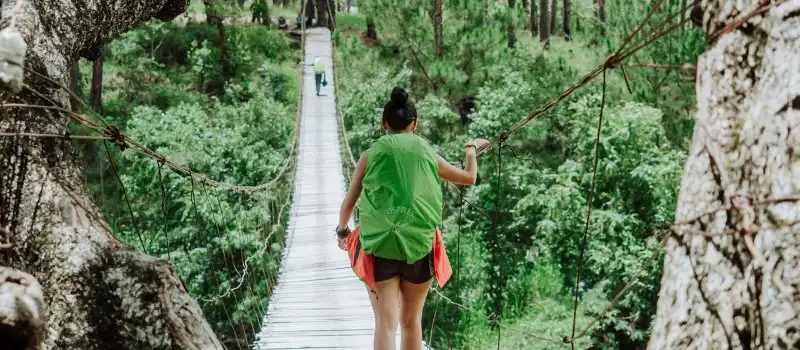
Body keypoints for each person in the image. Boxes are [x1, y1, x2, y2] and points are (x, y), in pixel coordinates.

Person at [336, 87, 490, 350]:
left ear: (384, 123)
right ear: (414, 124)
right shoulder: (426, 152)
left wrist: (342, 231)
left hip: (382, 246)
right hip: (420, 245)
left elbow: (349, 202)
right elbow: (468, 178)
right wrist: (471, 148)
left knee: (386, 324)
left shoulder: (370, 155)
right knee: (411, 321)